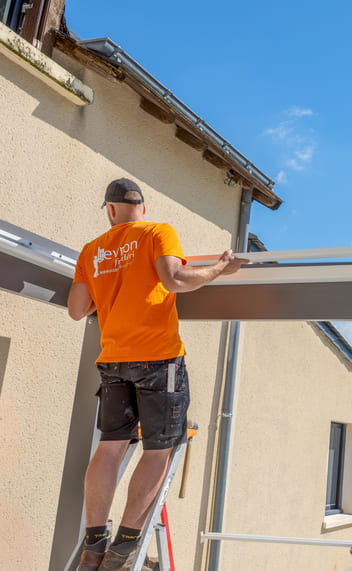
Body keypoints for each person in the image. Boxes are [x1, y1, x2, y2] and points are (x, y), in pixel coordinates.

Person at [68, 178, 247, 570]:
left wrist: (111, 285)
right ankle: (123, 549)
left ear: (111, 210)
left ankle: (94, 543)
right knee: (158, 449)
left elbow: (77, 309)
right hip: (157, 360)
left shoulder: (92, 251)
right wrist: (220, 268)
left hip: (113, 362)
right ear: (142, 208)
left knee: (110, 448)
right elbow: (175, 280)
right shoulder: (157, 232)